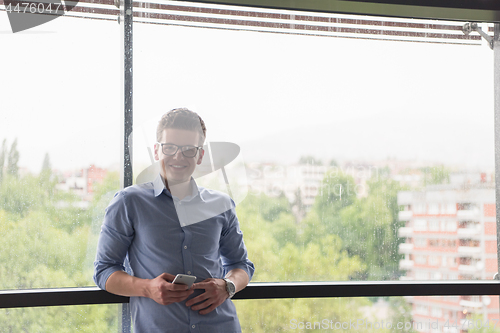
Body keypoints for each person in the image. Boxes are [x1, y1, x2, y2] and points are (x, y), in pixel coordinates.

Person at [93, 108, 254, 333]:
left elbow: (241, 265)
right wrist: (147, 288)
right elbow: (104, 271)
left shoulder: (222, 205)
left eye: (189, 150)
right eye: (170, 147)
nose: (178, 157)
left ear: (200, 155)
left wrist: (227, 286)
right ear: (157, 151)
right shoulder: (129, 202)